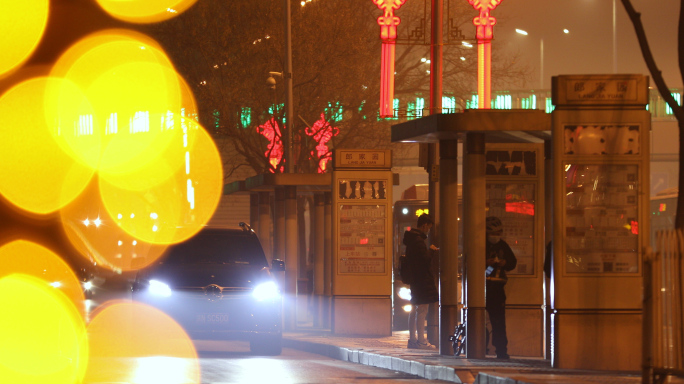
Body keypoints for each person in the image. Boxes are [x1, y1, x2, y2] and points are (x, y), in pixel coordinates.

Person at [403, 213, 439, 349]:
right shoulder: (418, 241)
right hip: (422, 280)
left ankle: (413, 340)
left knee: (414, 309)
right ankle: (421, 341)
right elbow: (424, 260)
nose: (428, 230)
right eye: (428, 227)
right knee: (422, 310)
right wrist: (431, 250)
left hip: (415, 280)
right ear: (424, 225)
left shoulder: (411, 240)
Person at [485, 216, 517, 359]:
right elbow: (471, 262)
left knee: (499, 323)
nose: (495, 236)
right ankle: (479, 346)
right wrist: (486, 262)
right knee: (478, 320)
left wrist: (504, 263)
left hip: (497, 290)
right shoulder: (481, 245)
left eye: (498, 233)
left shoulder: (503, 246)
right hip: (481, 289)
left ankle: (501, 351)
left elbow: (512, 262)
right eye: (492, 233)